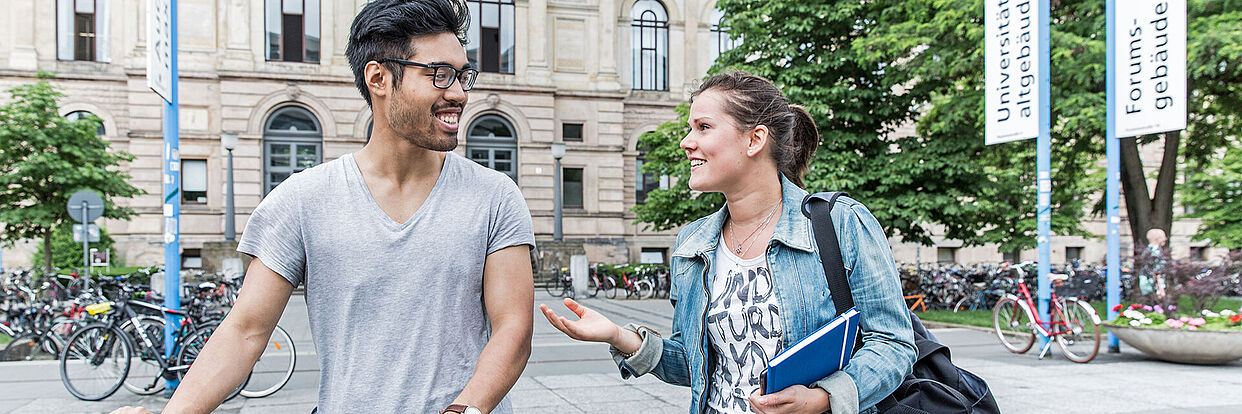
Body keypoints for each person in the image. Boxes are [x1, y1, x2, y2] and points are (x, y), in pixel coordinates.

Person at [114, 1, 534, 413]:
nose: (459, 94)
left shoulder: (495, 196)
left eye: (463, 76)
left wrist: (466, 410)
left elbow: (513, 328)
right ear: (379, 78)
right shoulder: (302, 200)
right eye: (440, 75)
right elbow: (245, 332)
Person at [540, 71, 916, 414]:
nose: (687, 143)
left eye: (703, 127)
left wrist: (824, 399)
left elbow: (894, 344)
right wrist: (619, 336)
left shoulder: (840, 223)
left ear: (755, 139)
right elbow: (696, 365)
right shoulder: (693, 243)